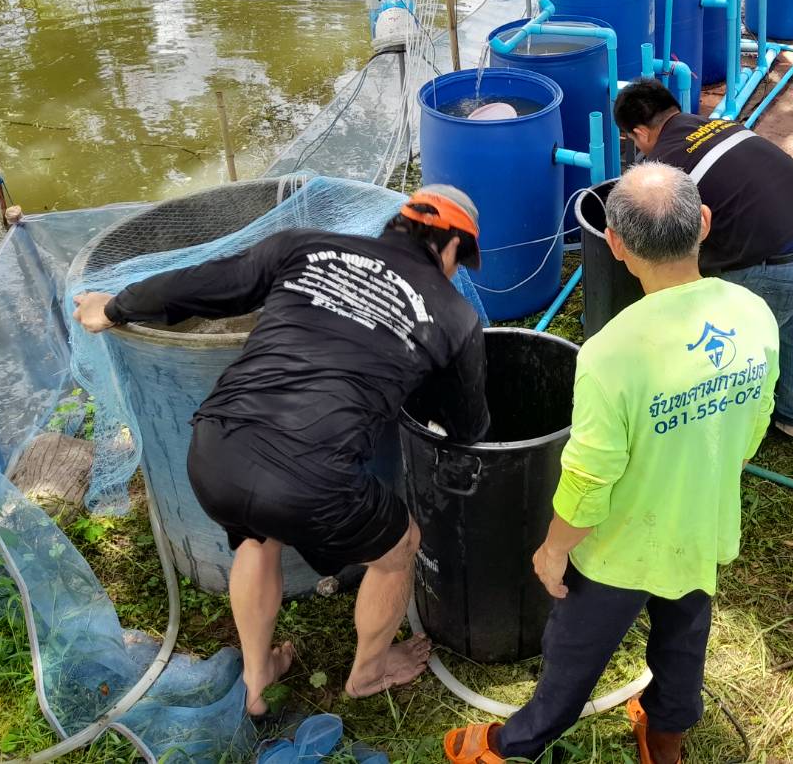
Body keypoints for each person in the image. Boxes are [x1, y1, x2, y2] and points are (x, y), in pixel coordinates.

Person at [72, 187, 490, 713]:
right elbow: (467, 425)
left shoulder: (306, 246)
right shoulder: (454, 315)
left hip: (217, 451)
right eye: (461, 261)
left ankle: (255, 678)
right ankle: (368, 672)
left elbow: (201, 287)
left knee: (255, 537)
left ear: (397, 224)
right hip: (316, 483)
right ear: (451, 248)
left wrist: (112, 307)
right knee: (399, 547)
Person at [443, 164, 778, 764]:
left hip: (618, 551)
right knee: (683, 639)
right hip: (701, 528)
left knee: (574, 655)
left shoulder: (611, 353)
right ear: (702, 224)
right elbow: (752, 428)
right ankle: (665, 736)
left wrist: (553, 550)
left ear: (617, 246)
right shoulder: (752, 312)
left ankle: (514, 745)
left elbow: (589, 479)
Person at [613, 78, 793, 439]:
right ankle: (791, 420)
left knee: (727, 344)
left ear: (640, 132)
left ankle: (717, 430)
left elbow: (670, 243)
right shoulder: (722, 125)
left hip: (787, 264)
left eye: (631, 139)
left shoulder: (666, 171)